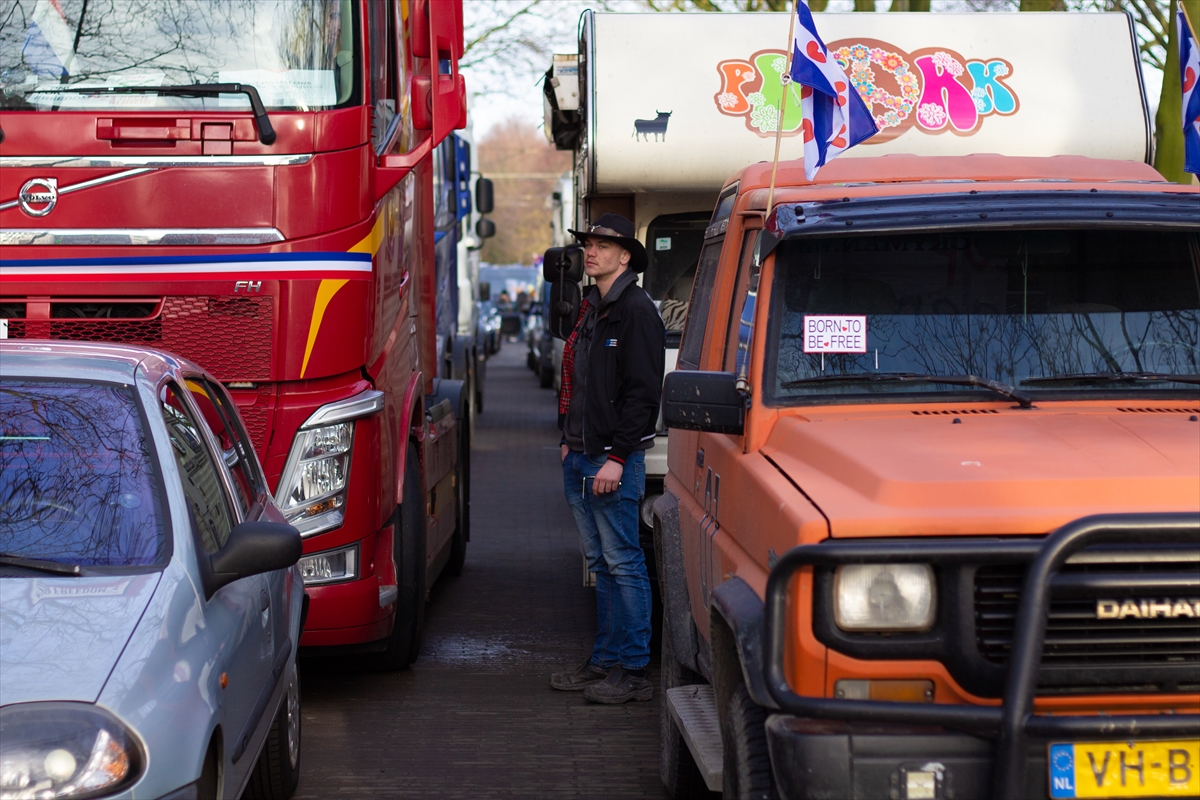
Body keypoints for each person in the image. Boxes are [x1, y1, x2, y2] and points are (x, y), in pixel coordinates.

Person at [549, 213, 665, 704]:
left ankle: (633, 671)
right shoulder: (592, 307)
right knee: (603, 562)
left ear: (625, 256)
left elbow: (643, 394)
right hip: (581, 456)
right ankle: (605, 661)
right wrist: (568, 440)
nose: (590, 251)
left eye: (602, 244)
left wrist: (617, 458)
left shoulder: (635, 309)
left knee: (624, 562)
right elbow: (577, 380)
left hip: (609, 461)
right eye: (588, 243)